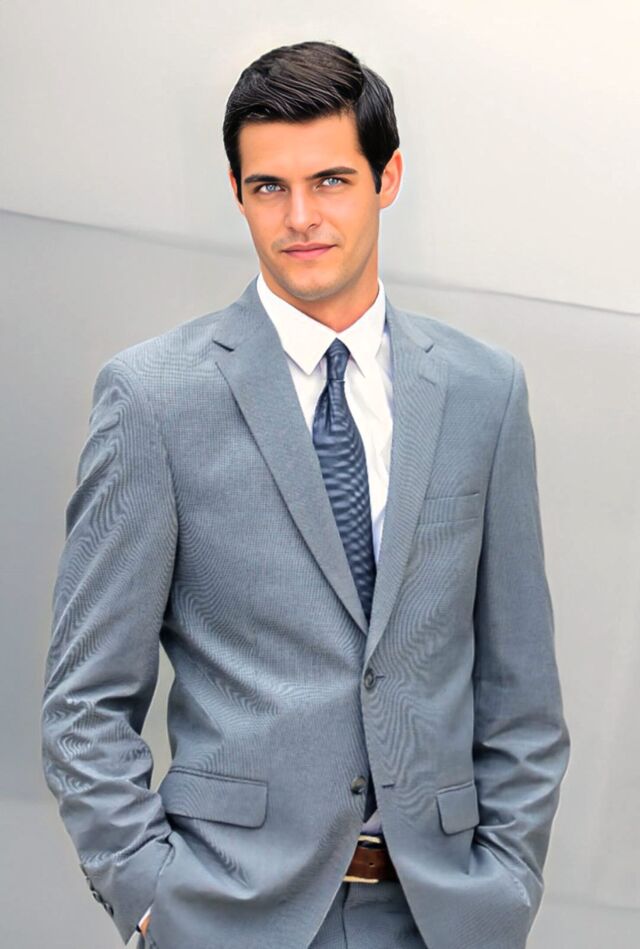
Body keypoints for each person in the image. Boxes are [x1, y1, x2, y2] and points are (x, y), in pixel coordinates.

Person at [41, 40, 570, 949]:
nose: (300, 217)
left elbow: (521, 686)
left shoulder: (485, 393)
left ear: (387, 178)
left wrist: (506, 885)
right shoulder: (154, 398)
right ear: (237, 192)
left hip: (439, 917)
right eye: (268, 187)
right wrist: (152, 896)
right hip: (229, 915)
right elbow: (84, 702)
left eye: (330, 180)